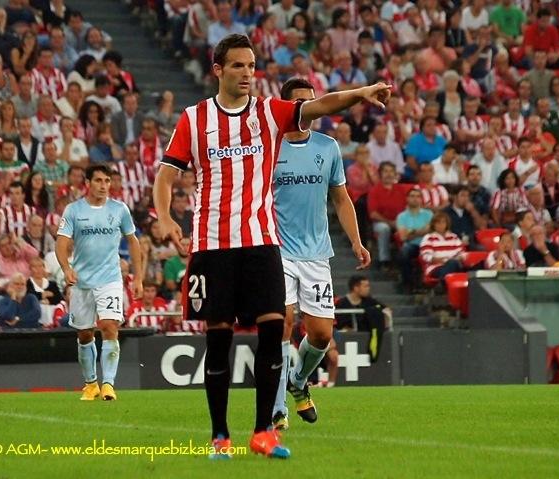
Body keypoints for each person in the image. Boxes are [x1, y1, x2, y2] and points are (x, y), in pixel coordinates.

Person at [152, 34, 390, 459]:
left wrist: (361, 94)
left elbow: (321, 104)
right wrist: (166, 216)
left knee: (271, 333)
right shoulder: (194, 118)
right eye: (239, 66)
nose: (248, 73)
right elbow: (167, 174)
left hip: (263, 244)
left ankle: (264, 432)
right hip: (212, 246)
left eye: (252, 65)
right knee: (219, 342)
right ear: (218, 70)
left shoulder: (268, 112)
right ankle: (220, 437)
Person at [271, 78, 370, 431]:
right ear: (286, 107)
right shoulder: (270, 147)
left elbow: (341, 199)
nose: (307, 109)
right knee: (280, 325)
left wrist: (356, 241)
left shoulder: (327, 147)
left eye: (311, 102)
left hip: (315, 253)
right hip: (277, 249)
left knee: (321, 335)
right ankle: (278, 406)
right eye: (299, 103)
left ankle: (298, 382)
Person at [55, 164, 143, 402]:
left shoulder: (119, 209)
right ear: (88, 183)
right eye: (99, 181)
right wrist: (66, 268)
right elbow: (61, 242)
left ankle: (108, 385)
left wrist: (139, 277)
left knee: (109, 325)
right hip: (82, 281)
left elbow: (133, 242)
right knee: (84, 334)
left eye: (107, 181)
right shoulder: (74, 210)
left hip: (110, 279)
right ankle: (91, 384)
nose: (104, 185)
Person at [396, 188, 433, 291]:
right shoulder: (402, 216)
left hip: (429, 244)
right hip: (412, 245)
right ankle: (408, 284)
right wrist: (423, 230)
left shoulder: (429, 214)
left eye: (418, 196)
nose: (415, 199)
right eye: (412, 196)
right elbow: (403, 236)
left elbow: (432, 231)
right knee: (404, 252)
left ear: (421, 199)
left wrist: (411, 231)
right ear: (407, 199)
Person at [419, 211, 466, 283]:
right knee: (452, 264)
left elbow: (462, 253)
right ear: (433, 224)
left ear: (447, 224)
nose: (441, 225)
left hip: (454, 264)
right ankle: (442, 283)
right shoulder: (429, 237)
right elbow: (426, 256)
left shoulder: (454, 237)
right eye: (438, 223)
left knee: (458, 265)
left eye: (443, 222)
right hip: (436, 268)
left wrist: (456, 259)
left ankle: (442, 284)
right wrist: (443, 260)